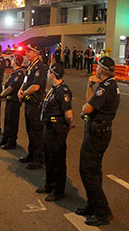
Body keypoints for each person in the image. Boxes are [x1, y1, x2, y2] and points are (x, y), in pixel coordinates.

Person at [76, 56, 120, 226]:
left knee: (87, 170)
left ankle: (103, 211)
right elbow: (91, 101)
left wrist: (84, 110)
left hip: (97, 134)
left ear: (102, 69)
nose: (96, 69)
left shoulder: (106, 87)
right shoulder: (106, 86)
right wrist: (89, 85)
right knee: (94, 170)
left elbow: (87, 107)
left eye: (98, 67)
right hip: (99, 132)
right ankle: (93, 204)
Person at [36, 62, 75, 202]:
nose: (47, 75)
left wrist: (70, 124)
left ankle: (59, 191)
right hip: (49, 128)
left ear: (52, 75)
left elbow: (68, 112)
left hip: (57, 130)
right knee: (49, 158)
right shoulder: (53, 89)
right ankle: (49, 185)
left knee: (57, 160)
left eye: (48, 73)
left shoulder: (63, 91)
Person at [18, 44, 47, 170]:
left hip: (36, 103)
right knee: (30, 130)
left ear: (36, 53)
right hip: (29, 102)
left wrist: (23, 93)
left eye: (29, 52)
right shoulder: (31, 66)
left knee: (36, 132)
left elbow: (36, 87)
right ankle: (31, 154)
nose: (27, 54)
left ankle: (39, 159)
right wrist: (20, 90)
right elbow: (25, 81)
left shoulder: (40, 67)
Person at [0, 54, 25, 150]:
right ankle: (5, 138)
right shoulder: (15, 72)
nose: (11, 61)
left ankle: (11, 141)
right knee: (7, 121)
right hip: (9, 100)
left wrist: (2, 95)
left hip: (14, 102)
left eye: (13, 59)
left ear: (16, 62)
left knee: (12, 122)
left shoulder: (19, 74)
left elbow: (11, 88)